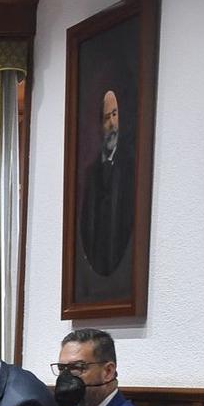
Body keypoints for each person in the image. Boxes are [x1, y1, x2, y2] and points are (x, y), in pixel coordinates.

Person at [77, 88, 135, 279]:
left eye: (114, 115)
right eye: (105, 118)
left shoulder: (130, 169)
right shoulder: (90, 173)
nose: (111, 124)